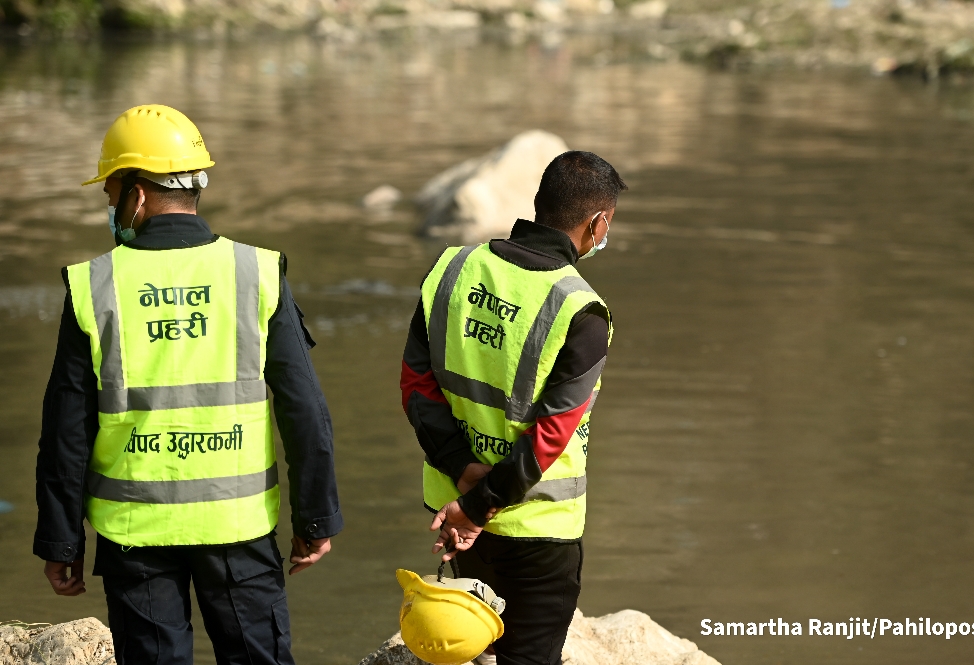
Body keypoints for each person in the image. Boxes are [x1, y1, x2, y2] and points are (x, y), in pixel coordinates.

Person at [33, 104, 342, 665]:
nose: (108, 204)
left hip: (136, 532)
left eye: (111, 190)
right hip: (237, 525)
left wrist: (61, 540)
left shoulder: (95, 285)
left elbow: (66, 430)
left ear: (139, 193)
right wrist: (315, 516)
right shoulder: (255, 272)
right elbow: (304, 411)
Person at [400, 151, 625, 665]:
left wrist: (462, 476)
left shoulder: (452, 269)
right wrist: (481, 504)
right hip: (536, 527)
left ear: (538, 203)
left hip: (454, 511)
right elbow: (552, 433)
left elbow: (416, 383)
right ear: (598, 223)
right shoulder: (581, 310)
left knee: (479, 650)